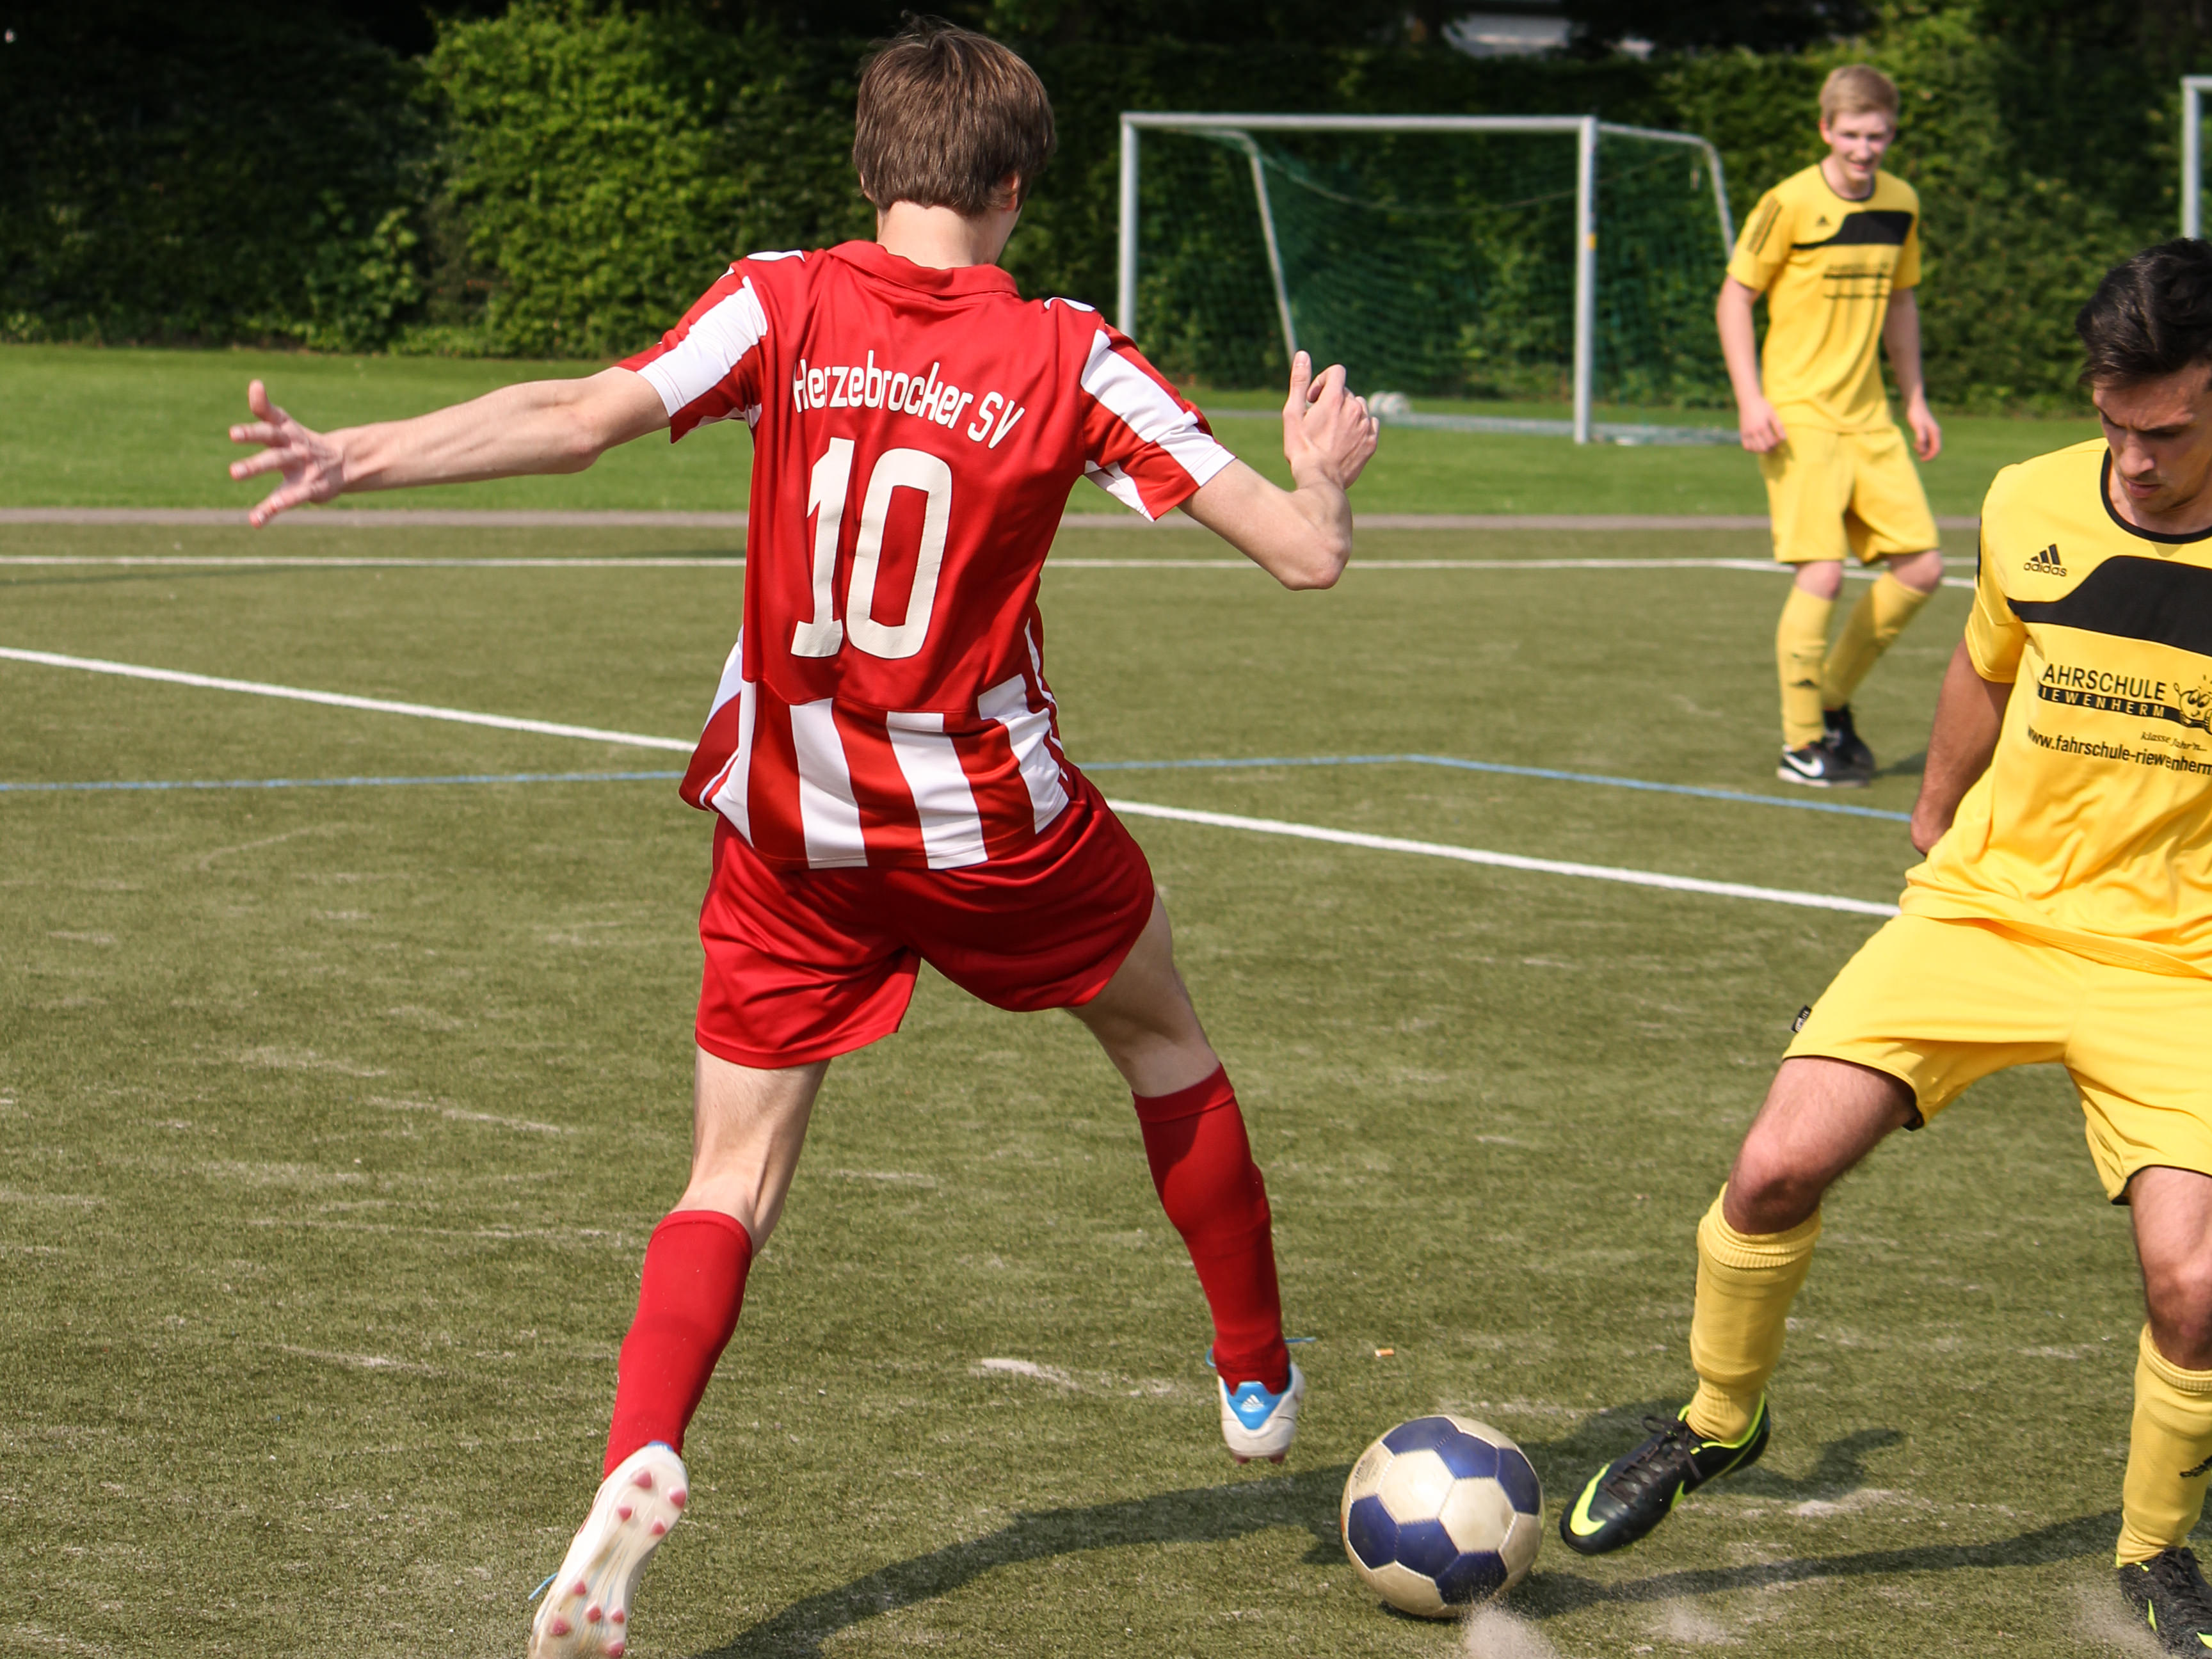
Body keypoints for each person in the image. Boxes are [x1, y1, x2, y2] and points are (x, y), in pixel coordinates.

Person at [224, 22, 1377, 1659]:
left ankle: (639, 1450)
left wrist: (359, 455)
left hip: (788, 822)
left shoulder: (779, 298)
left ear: (866, 169)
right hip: (989, 829)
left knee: (731, 1173)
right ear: (1015, 187)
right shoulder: (1070, 351)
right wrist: (1324, 480)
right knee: (1163, 1040)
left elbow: (578, 417)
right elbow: (1304, 558)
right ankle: (1254, 1376)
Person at [1561, 237, 2212, 1649]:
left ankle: (2155, 1549)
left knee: (2196, 1286)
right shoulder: (2032, 499)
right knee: (1772, 1168)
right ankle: (1718, 1420)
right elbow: (1986, 661)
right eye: (2115, 424)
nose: (2137, 459)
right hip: (1987, 911)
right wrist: (1931, 818)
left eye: (2168, 431)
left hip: (2181, 963)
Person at [1718, 63, 1945, 789]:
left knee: (1923, 567)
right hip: (1799, 416)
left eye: (1877, 135)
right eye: (1850, 134)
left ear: (1892, 134)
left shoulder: (1902, 203)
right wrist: (1751, 401)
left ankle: (1832, 698)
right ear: (1826, 130)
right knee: (1822, 571)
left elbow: (1902, 304)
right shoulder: (1787, 202)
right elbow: (1734, 299)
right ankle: (1801, 743)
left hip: (1869, 418)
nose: (1863, 149)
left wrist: (1915, 399)